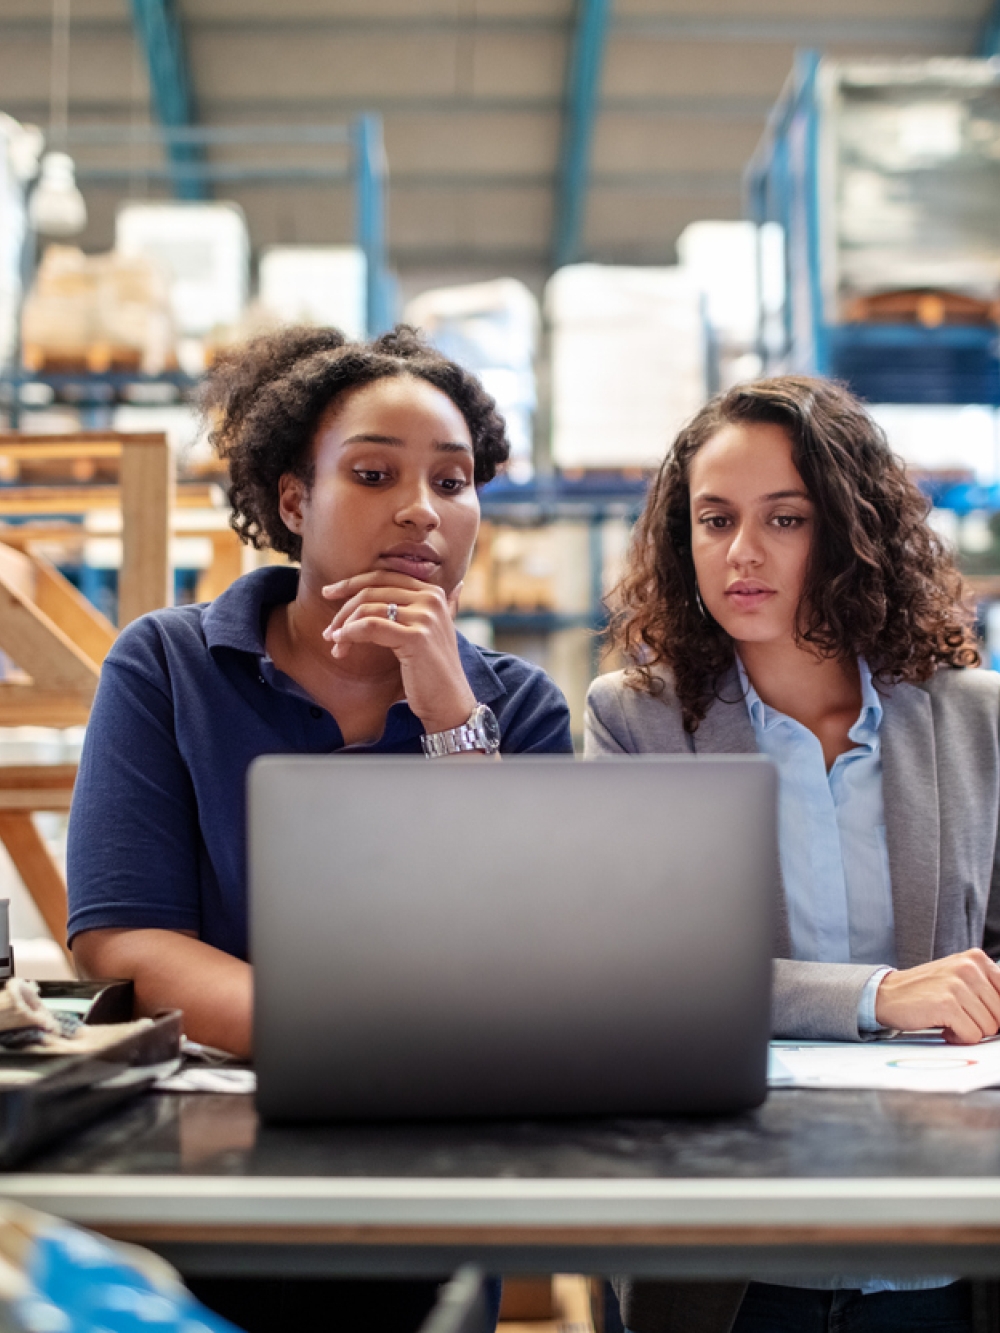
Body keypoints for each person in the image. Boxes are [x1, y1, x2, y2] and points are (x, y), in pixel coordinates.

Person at [66, 324, 573, 1333]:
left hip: (428, 1165)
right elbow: (121, 933)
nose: (421, 510)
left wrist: (447, 715)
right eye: (375, 473)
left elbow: (527, 954)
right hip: (203, 1165)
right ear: (294, 502)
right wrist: (338, 1042)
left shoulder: (520, 706)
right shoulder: (166, 666)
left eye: (453, 481)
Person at [585, 376, 1000, 1333]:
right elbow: (646, 979)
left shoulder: (975, 718)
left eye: (785, 518)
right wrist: (877, 994)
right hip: (728, 1252)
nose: (742, 553)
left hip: (933, 1244)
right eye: (715, 518)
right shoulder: (637, 719)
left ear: (852, 531)